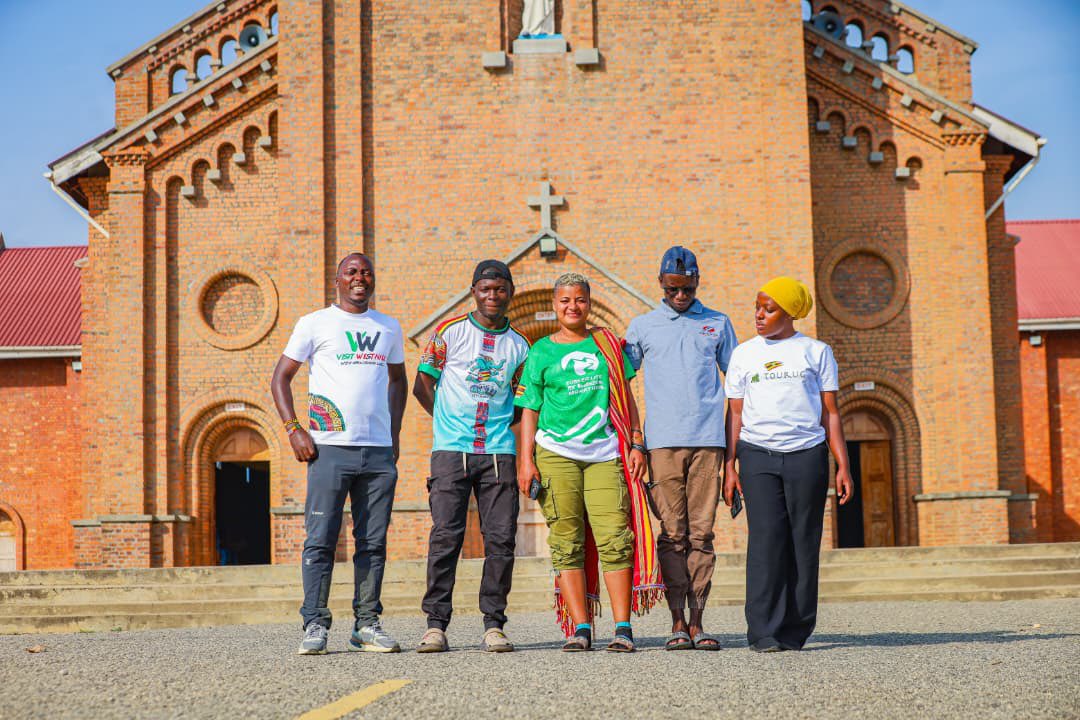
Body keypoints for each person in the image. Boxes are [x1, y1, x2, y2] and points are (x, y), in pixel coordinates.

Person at [514, 272, 662, 653]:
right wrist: (525, 461)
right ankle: (580, 627)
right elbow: (529, 408)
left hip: (604, 453)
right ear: (554, 305)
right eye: (564, 300)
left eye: (579, 299)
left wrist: (636, 440)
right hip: (555, 454)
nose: (572, 306)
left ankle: (623, 628)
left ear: (588, 303)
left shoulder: (607, 345)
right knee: (566, 541)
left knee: (615, 536)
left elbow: (625, 396)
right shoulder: (541, 351)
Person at [270, 253, 408, 656]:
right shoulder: (315, 323)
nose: (359, 278)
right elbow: (280, 376)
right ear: (338, 280)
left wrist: (394, 432)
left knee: (373, 542)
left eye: (365, 272)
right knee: (321, 539)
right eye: (352, 272)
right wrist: (294, 429)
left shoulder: (389, 327)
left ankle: (366, 624)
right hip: (328, 447)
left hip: (378, 452)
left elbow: (398, 381)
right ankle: (314, 622)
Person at [722, 276, 854, 652]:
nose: (759, 315)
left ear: (791, 313)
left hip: (807, 455)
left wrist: (842, 465)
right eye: (757, 307)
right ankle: (763, 630)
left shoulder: (816, 351)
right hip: (757, 455)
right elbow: (735, 415)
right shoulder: (744, 354)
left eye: (769, 308)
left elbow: (831, 412)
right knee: (766, 540)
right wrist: (729, 465)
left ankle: (795, 629)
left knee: (802, 540)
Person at [412, 260, 531, 653]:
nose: (492, 296)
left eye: (499, 289)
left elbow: (522, 401)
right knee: (446, 536)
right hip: (451, 451)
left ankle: (494, 624)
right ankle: (435, 625)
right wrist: (447, 422)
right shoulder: (449, 333)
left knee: (501, 539)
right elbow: (422, 383)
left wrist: (500, 423)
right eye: (485, 289)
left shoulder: (520, 345)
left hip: (499, 452)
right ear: (473, 292)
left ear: (509, 291)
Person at [624, 246, 738, 651]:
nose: (680, 296)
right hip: (662, 446)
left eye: (687, 288)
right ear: (660, 283)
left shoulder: (718, 323)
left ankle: (698, 621)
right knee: (672, 534)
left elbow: (738, 387)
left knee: (702, 534)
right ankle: (675, 619)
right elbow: (618, 382)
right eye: (673, 288)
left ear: (697, 282)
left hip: (709, 443)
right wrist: (635, 440)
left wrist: (734, 457)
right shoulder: (642, 327)